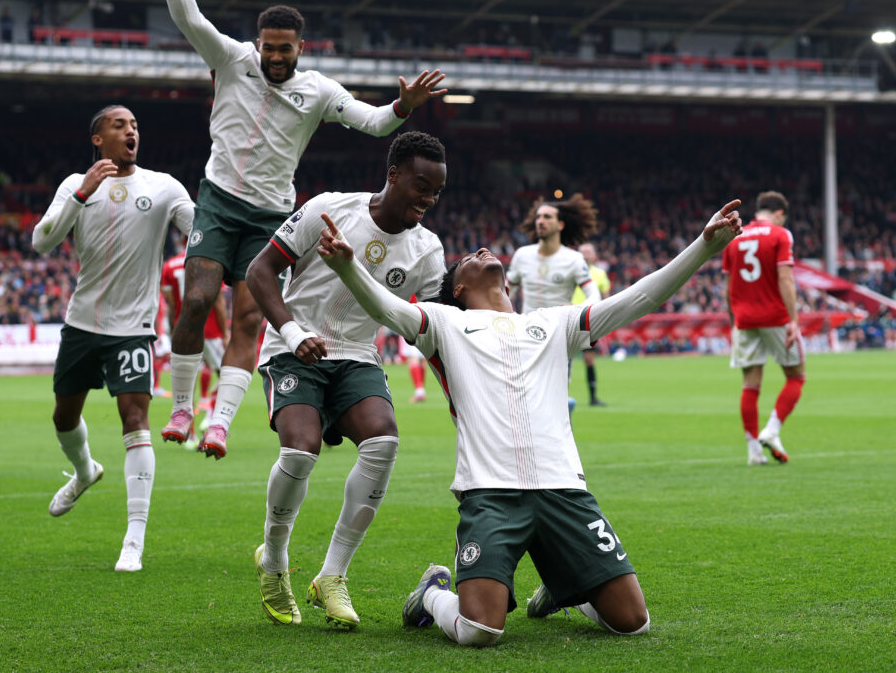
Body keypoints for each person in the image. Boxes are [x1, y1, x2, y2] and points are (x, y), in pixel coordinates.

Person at [316, 200, 744, 646]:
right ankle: (430, 595)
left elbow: (640, 297)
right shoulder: (444, 323)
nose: (482, 249)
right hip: (491, 492)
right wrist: (349, 267)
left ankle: (568, 588)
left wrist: (703, 247)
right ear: (458, 288)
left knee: (632, 622)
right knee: (479, 630)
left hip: (564, 489)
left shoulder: (555, 322)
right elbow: (388, 310)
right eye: (468, 259)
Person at [150, 0, 448, 461]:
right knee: (196, 299)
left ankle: (218, 422)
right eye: (269, 46)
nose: (275, 56)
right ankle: (180, 406)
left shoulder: (318, 90)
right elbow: (189, 19)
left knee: (247, 318)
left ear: (300, 48)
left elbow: (375, 124)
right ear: (258, 42)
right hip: (218, 198)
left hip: (270, 212)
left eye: (285, 48)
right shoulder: (231, 58)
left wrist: (402, 107)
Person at [243, 131, 448, 628]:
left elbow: (444, 321)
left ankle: (332, 576)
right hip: (294, 350)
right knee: (300, 450)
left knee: (383, 441)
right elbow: (260, 270)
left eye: (437, 191)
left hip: (356, 355)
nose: (428, 199)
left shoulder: (426, 250)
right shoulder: (330, 209)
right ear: (393, 174)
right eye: (421, 185)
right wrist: (292, 333)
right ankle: (273, 560)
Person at [32, 105, 194, 572]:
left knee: (135, 417)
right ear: (97, 139)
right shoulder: (73, 185)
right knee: (64, 415)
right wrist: (82, 192)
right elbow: (42, 241)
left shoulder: (163, 187)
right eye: (119, 125)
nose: (131, 131)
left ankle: (133, 539)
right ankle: (85, 471)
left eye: (135, 125)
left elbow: (199, 228)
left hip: (133, 328)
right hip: (82, 324)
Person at [722, 191, 805, 466]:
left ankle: (753, 452)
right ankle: (771, 430)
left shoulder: (734, 238)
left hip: (744, 319)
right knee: (796, 376)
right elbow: (785, 277)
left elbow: (727, 287)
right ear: (779, 213)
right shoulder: (781, 234)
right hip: (776, 317)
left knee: (750, 385)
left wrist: (734, 322)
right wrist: (793, 319)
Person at [507, 195, 601, 412]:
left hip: (558, 337)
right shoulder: (522, 255)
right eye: (539, 217)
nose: (540, 221)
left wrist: (578, 310)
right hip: (524, 335)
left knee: (552, 401)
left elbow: (593, 294)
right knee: (524, 399)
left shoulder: (573, 259)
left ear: (560, 224)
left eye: (547, 217)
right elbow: (506, 291)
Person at [159, 247, 228, 449]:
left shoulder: (169, 266)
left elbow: (171, 306)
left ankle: (187, 433)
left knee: (187, 383)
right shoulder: (210, 260)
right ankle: (211, 418)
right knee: (228, 375)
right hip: (211, 330)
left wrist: (174, 333)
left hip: (185, 329)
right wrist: (225, 333)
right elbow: (219, 303)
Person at [572, 242, 611, 406]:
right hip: (569, 317)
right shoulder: (571, 272)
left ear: (594, 255)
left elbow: (607, 298)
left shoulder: (600, 274)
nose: (585, 254)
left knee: (589, 360)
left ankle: (593, 397)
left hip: (588, 320)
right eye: (582, 252)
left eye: (588, 252)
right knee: (562, 360)